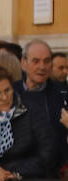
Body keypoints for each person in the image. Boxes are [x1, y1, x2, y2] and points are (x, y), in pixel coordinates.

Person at [18, 39, 68, 172]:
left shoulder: (62, 95)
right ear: (23, 63)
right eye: (36, 61)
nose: (42, 66)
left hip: (53, 177)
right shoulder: (8, 93)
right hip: (15, 175)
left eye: (46, 61)